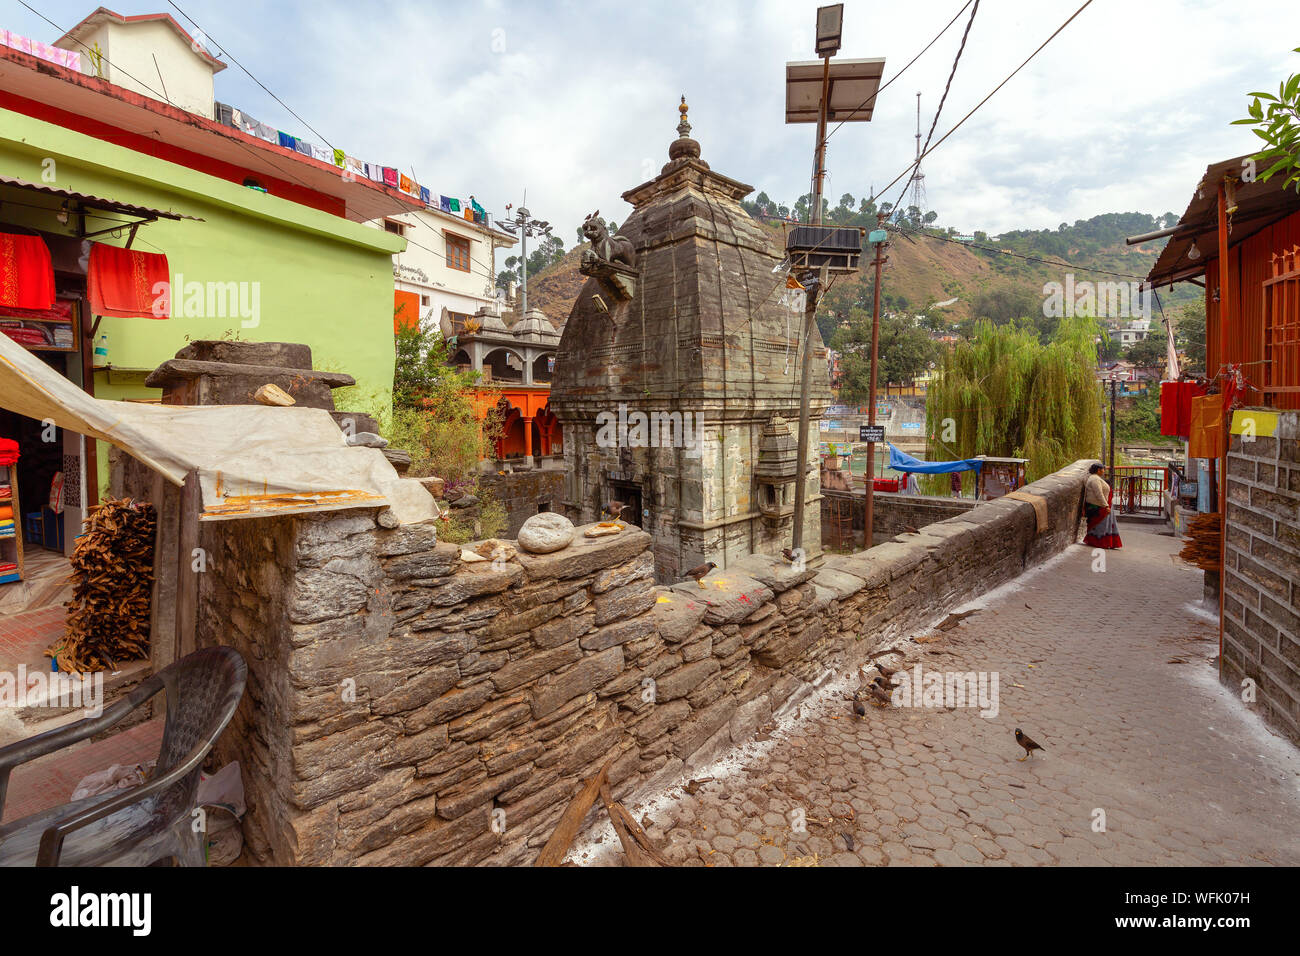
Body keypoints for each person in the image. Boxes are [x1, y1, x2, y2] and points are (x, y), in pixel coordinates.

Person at [1083, 462, 1122, 549]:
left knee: (1102, 525)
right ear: (1098, 470)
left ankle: (1100, 541)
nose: (1104, 471)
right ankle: (1098, 541)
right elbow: (1098, 493)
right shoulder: (1095, 480)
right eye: (1103, 469)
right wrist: (1106, 506)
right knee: (1101, 525)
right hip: (1098, 505)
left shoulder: (1095, 478)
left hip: (1099, 504)